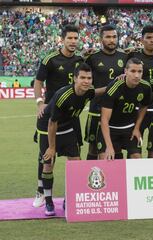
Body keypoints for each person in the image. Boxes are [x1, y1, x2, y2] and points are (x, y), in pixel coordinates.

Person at [37, 63, 105, 216]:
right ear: (75, 78)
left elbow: (99, 91)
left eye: (89, 78)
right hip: (47, 127)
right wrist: (52, 147)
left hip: (67, 126)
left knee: (76, 162)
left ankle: (69, 199)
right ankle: (48, 202)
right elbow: (52, 122)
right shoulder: (63, 96)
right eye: (82, 78)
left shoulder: (88, 92)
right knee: (48, 163)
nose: (86, 81)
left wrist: (119, 81)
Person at [32, 25, 83, 208]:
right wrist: (40, 102)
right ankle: (41, 191)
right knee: (45, 155)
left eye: (76, 38)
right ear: (62, 40)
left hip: (70, 116)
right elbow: (38, 82)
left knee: (75, 155)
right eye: (69, 38)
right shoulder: (50, 59)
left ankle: (71, 197)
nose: (73, 41)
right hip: (51, 113)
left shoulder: (80, 60)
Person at [84, 25, 128, 160]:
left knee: (116, 145)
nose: (111, 40)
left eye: (114, 37)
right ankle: (90, 177)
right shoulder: (92, 58)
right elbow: (85, 82)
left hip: (117, 108)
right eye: (108, 37)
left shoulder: (125, 56)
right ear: (101, 39)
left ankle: (117, 178)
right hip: (96, 107)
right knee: (92, 146)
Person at [100, 58, 151, 160]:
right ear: (125, 71)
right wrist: (109, 147)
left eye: (139, 71)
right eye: (133, 71)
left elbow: (144, 106)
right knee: (106, 159)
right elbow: (104, 119)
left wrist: (137, 128)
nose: (136, 75)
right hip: (111, 128)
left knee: (137, 158)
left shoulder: (146, 87)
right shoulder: (114, 88)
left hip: (129, 128)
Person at [128, 25, 153, 134]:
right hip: (138, 105)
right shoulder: (133, 55)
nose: (152, 40)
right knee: (136, 142)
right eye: (149, 37)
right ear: (142, 40)